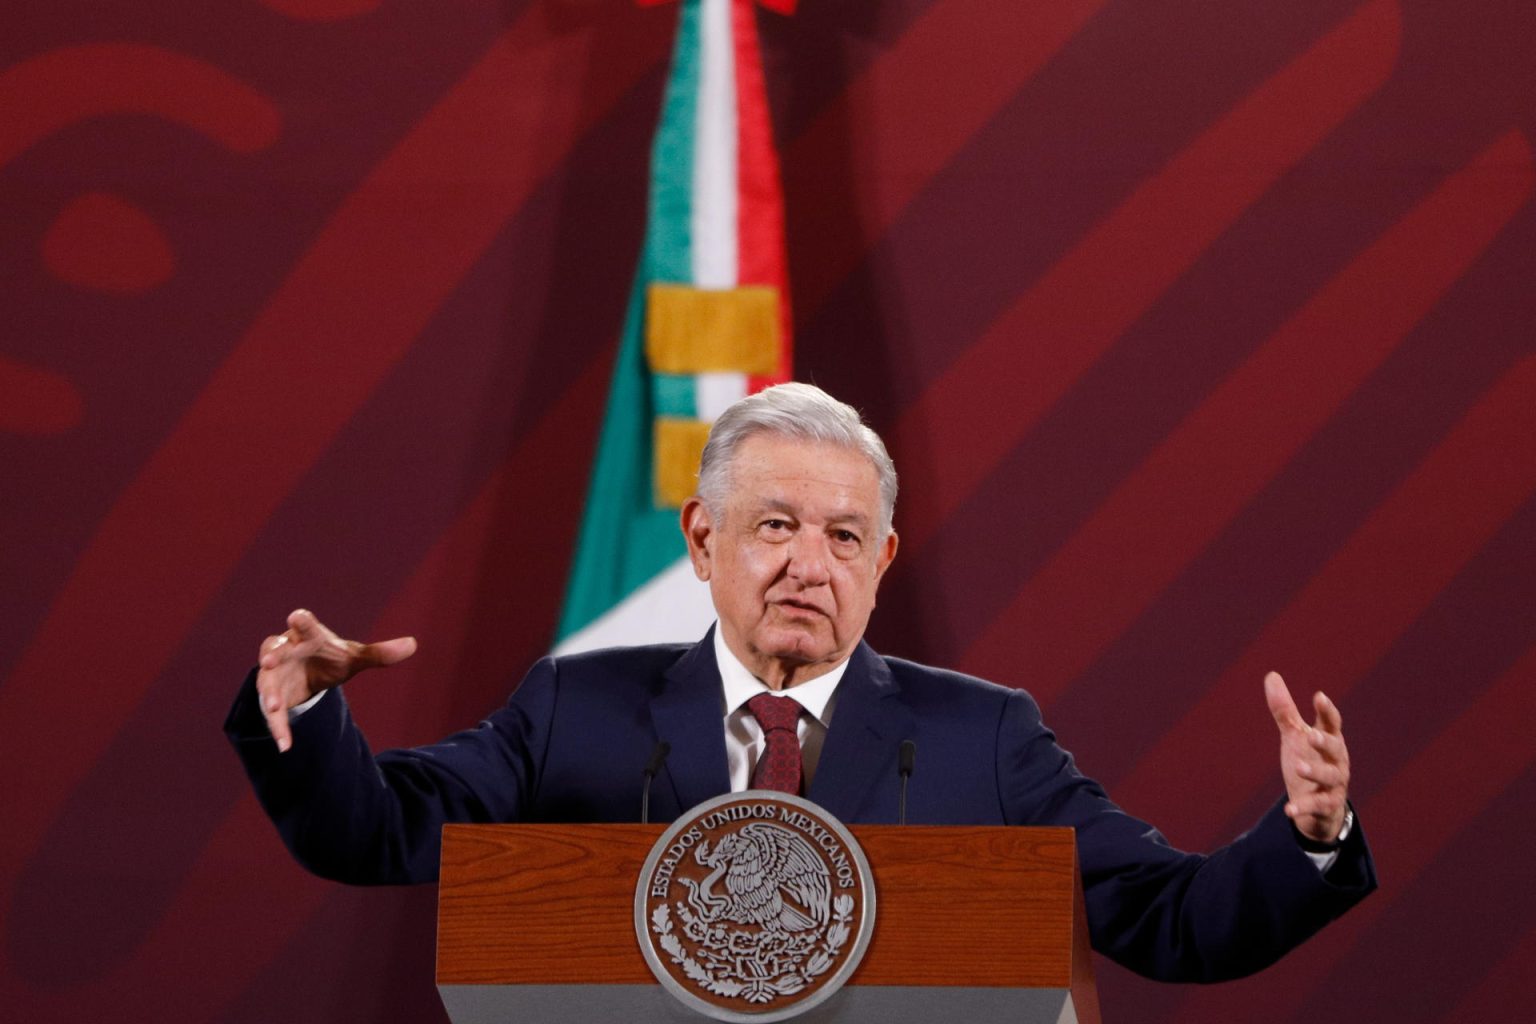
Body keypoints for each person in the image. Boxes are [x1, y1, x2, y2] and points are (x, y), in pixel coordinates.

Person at [226, 382, 1374, 983]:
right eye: (773, 524)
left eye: (841, 534)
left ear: (880, 560)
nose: (805, 565)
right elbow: (376, 835)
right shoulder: (576, 709)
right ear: (701, 540)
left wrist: (1309, 833)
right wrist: (316, 708)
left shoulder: (984, 737)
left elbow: (1170, 921)